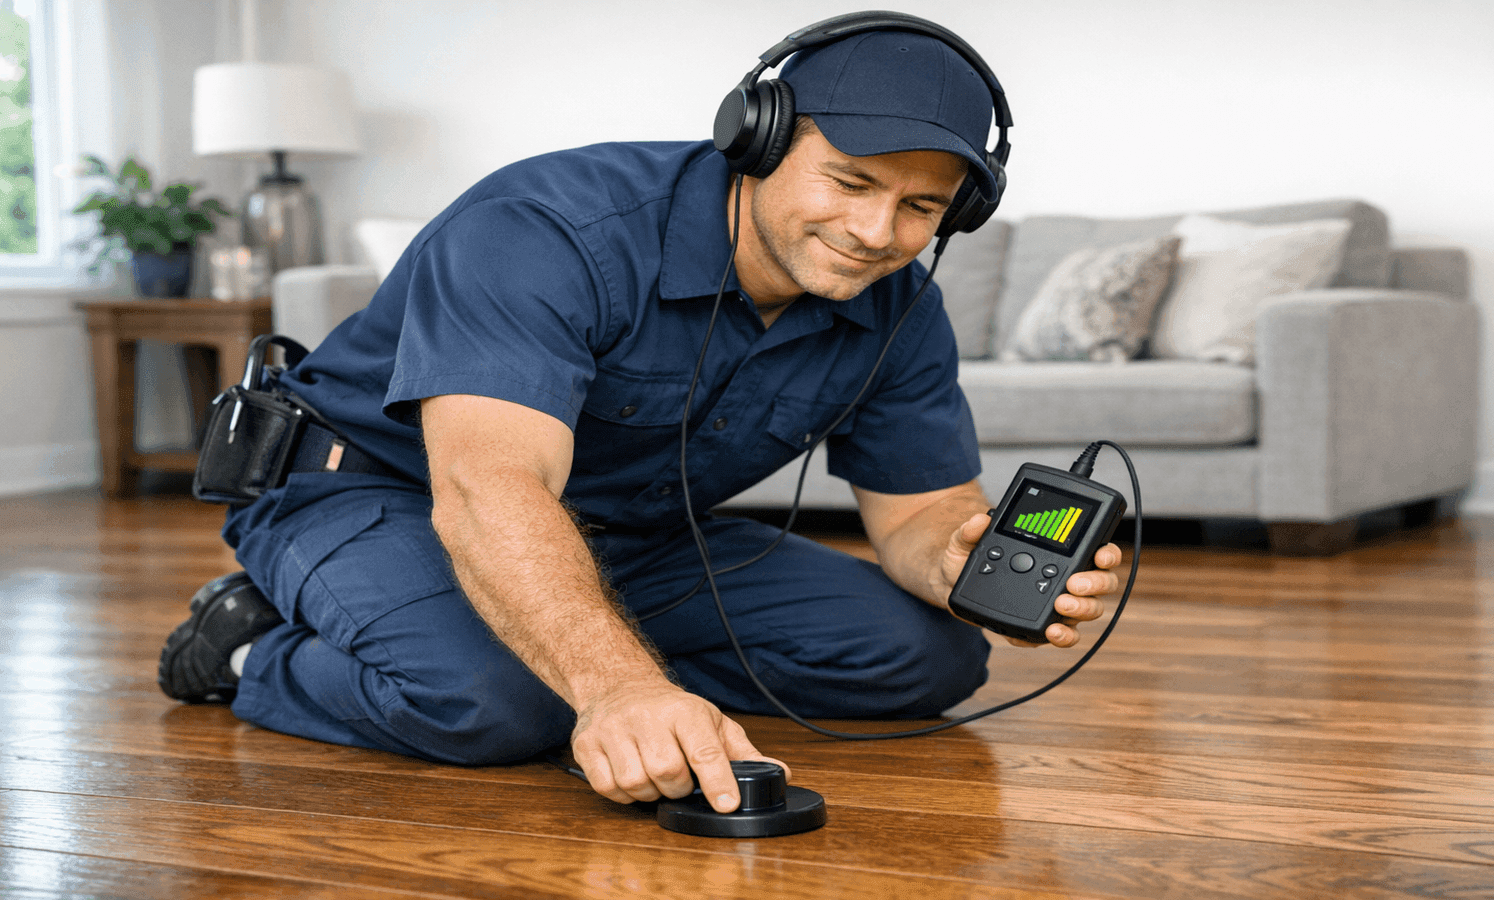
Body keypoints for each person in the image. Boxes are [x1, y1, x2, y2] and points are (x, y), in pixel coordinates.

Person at [158, 16, 1122, 817]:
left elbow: (919, 514)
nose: (878, 234)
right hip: (370, 491)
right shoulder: (545, 230)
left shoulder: (901, 305)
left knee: (930, 657)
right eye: (852, 183)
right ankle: (248, 646)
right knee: (502, 708)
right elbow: (487, 483)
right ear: (761, 138)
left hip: (631, 533)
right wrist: (614, 689)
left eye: (921, 207)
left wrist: (955, 562)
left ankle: (568, 634)